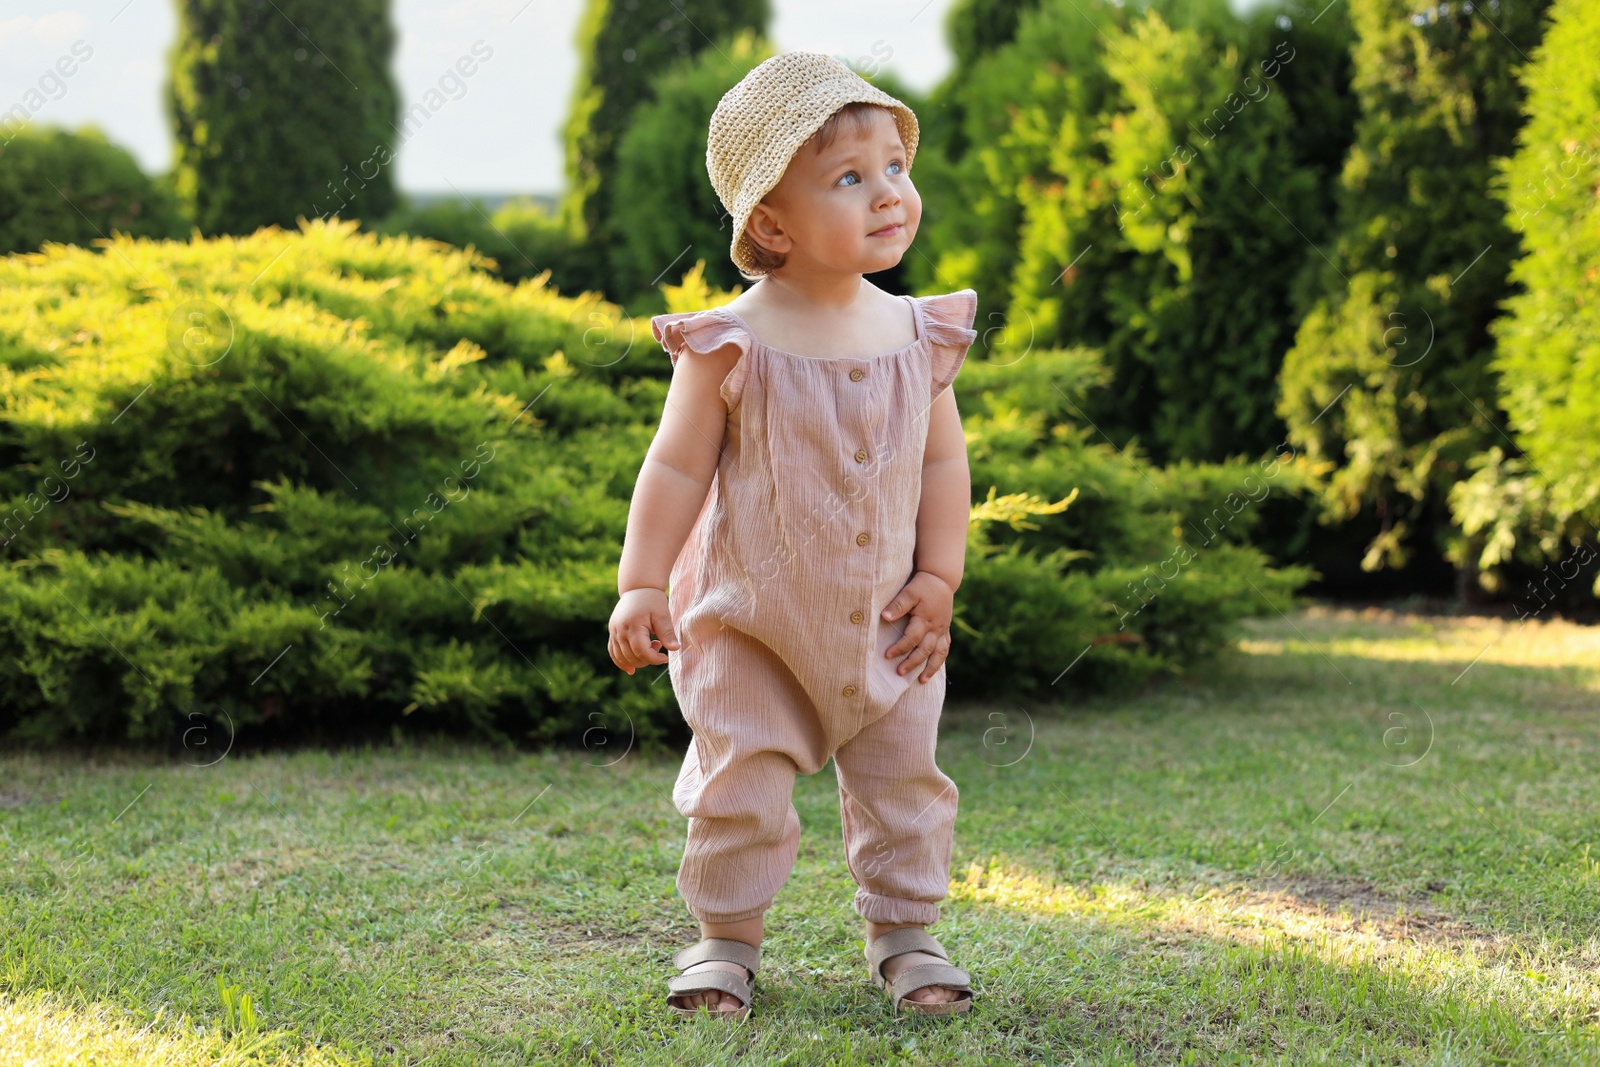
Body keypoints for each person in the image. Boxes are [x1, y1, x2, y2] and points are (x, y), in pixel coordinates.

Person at [607, 50, 979, 1020]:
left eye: (894, 167)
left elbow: (943, 468)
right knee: (739, 789)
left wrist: (939, 575)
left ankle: (906, 929)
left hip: (888, 621)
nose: (887, 193)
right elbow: (676, 468)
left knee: (906, 785)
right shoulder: (732, 341)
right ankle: (725, 941)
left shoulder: (917, 335)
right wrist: (642, 582)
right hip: (750, 624)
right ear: (769, 221)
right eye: (848, 178)